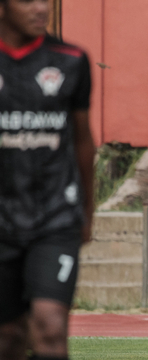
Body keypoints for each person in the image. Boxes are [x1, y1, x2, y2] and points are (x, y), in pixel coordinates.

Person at [0, 0, 94, 359]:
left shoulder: (71, 60)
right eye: (27, 0)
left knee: (50, 326)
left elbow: (84, 140)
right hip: (4, 219)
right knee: (8, 336)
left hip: (56, 216)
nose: (41, 8)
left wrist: (87, 210)